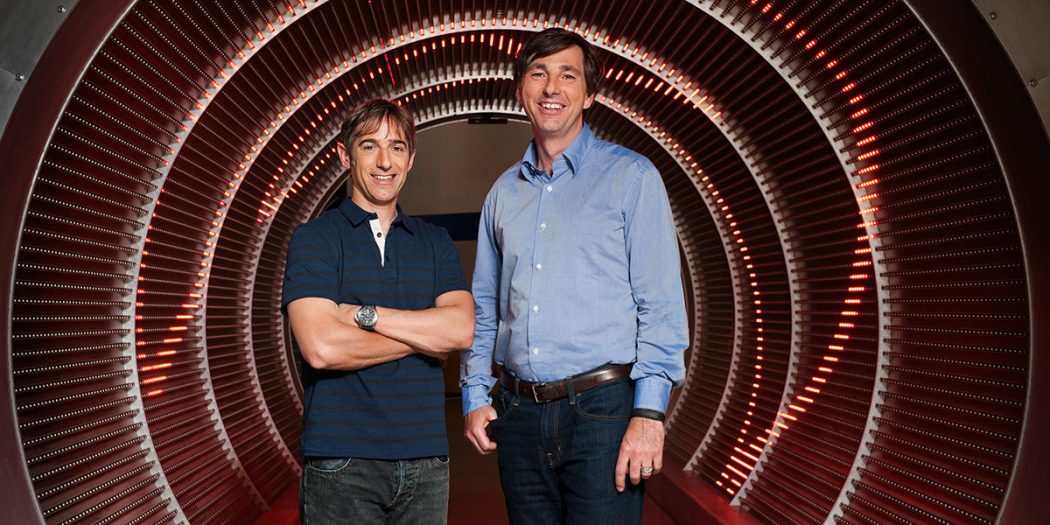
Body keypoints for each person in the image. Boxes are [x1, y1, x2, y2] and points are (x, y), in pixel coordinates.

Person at [461, 28, 688, 524]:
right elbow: (485, 307)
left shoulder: (632, 178)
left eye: (568, 76)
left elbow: (660, 307)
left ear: (589, 95)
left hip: (602, 412)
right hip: (518, 413)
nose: (551, 88)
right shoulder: (503, 194)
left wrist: (649, 415)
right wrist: (475, 394)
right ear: (520, 89)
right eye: (538, 74)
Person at [282, 98, 474, 524]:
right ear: (345, 155)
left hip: (426, 459)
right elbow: (322, 348)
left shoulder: (435, 241)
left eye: (397, 147)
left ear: (411, 158)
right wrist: (423, 340)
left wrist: (364, 315)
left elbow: (460, 330)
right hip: (342, 462)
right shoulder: (314, 239)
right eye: (369, 146)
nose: (385, 162)